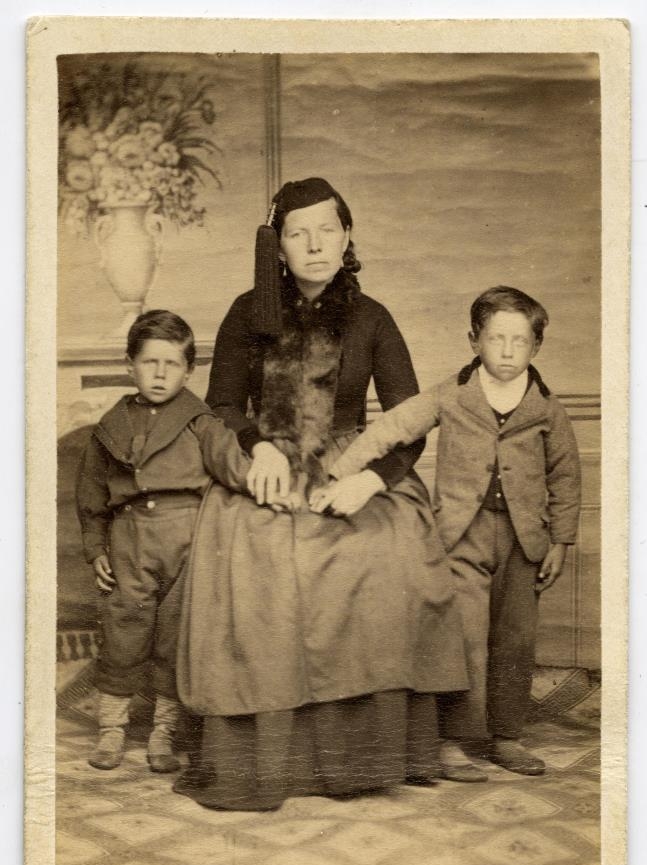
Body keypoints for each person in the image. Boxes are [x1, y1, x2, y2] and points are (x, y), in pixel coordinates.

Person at [173, 176, 469, 811]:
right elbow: (221, 405)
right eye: (298, 233)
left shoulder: (372, 317)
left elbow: (410, 420)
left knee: (386, 552)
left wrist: (371, 479)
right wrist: (258, 446)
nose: (314, 245)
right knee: (256, 563)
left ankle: (366, 757)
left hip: (350, 464)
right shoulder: (245, 312)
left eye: (327, 230)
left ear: (346, 236)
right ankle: (266, 759)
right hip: (267, 463)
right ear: (277, 246)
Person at [313, 285, 581, 778]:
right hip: (462, 536)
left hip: (525, 542)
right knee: (463, 637)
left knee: (515, 640)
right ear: (473, 340)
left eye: (520, 341)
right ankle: (456, 739)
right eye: (496, 338)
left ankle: (507, 737)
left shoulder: (546, 407)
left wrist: (561, 540)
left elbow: (565, 475)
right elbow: (392, 428)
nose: (507, 351)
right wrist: (341, 472)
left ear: (537, 346)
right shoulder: (451, 394)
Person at [76, 310, 251, 772]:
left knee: (176, 637)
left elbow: (237, 469)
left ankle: (164, 734)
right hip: (129, 540)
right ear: (129, 364)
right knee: (123, 631)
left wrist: (277, 480)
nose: (159, 373)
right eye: (149, 362)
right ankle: (111, 729)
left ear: (189, 370)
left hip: (188, 544)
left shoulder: (201, 423)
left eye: (172, 364)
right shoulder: (111, 426)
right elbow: (91, 495)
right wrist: (95, 548)